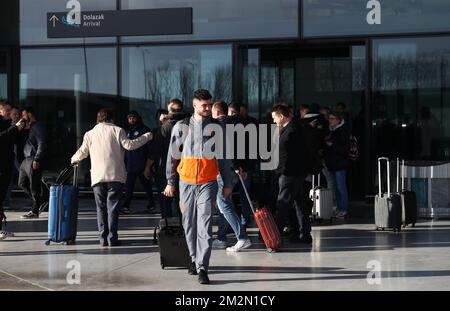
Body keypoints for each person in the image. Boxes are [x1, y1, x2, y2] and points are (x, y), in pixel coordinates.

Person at [164, 89, 233, 285]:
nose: (208, 108)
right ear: (194, 105)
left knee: (204, 224)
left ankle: (203, 267)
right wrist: (170, 181)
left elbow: (224, 158)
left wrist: (227, 183)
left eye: (210, 105)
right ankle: (193, 259)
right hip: (185, 183)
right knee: (189, 224)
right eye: (204, 105)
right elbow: (172, 157)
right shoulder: (181, 126)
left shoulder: (216, 128)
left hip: (207, 183)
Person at [71, 108, 153, 247]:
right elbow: (130, 145)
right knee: (113, 208)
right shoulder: (118, 130)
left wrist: (73, 159)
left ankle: (102, 239)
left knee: (100, 208)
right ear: (112, 118)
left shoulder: (89, 134)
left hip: (97, 177)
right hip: (115, 176)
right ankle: (112, 238)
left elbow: (83, 152)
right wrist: (147, 136)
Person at [211, 101, 252, 252]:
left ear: (216, 112)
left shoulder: (220, 126)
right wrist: (241, 166)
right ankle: (222, 237)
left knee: (223, 204)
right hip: (233, 169)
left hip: (225, 170)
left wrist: (235, 166)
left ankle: (242, 237)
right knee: (225, 204)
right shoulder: (236, 125)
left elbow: (227, 149)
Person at [271, 104, 312, 244]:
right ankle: (304, 234)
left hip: (290, 174)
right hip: (295, 173)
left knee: (282, 205)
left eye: (274, 118)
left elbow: (291, 156)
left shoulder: (292, 131)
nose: (274, 121)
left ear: (281, 117)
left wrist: (282, 171)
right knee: (299, 204)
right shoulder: (292, 129)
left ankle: (275, 237)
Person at [145, 99, 189, 218]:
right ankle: (183, 227)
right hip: (184, 170)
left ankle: (167, 226)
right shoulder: (189, 125)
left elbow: (154, 151)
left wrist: (148, 167)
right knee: (182, 201)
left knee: (165, 202)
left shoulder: (165, 128)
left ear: (170, 111)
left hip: (164, 170)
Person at [121, 110, 155, 214]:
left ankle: (152, 204)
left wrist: (148, 166)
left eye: (133, 117)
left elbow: (150, 149)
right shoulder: (126, 131)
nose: (131, 120)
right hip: (130, 165)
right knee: (129, 187)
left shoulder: (145, 130)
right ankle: (126, 206)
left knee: (147, 186)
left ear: (138, 118)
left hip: (142, 164)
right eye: (129, 118)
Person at [0, 102, 26, 239]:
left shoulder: (9, 124)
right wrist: (14, 128)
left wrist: (22, 129)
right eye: (7, 110)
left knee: (2, 197)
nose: (10, 113)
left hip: (6, 165)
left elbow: (16, 141)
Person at [19, 107, 48, 219]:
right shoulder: (30, 127)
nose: (22, 117)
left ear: (30, 115)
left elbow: (42, 143)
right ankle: (43, 199)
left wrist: (37, 159)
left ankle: (35, 210)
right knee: (21, 183)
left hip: (33, 159)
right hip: (26, 159)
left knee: (34, 186)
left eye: (24, 115)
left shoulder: (38, 126)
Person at [324, 111, 350, 218]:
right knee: (335, 187)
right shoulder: (332, 131)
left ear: (338, 120)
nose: (330, 120)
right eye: (329, 118)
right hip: (333, 163)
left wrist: (332, 144)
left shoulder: (342, 131)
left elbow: (345, 149)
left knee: (340, 187)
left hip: (340, 163)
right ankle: (339, 208)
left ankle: (343, 209)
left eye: (332, 118)